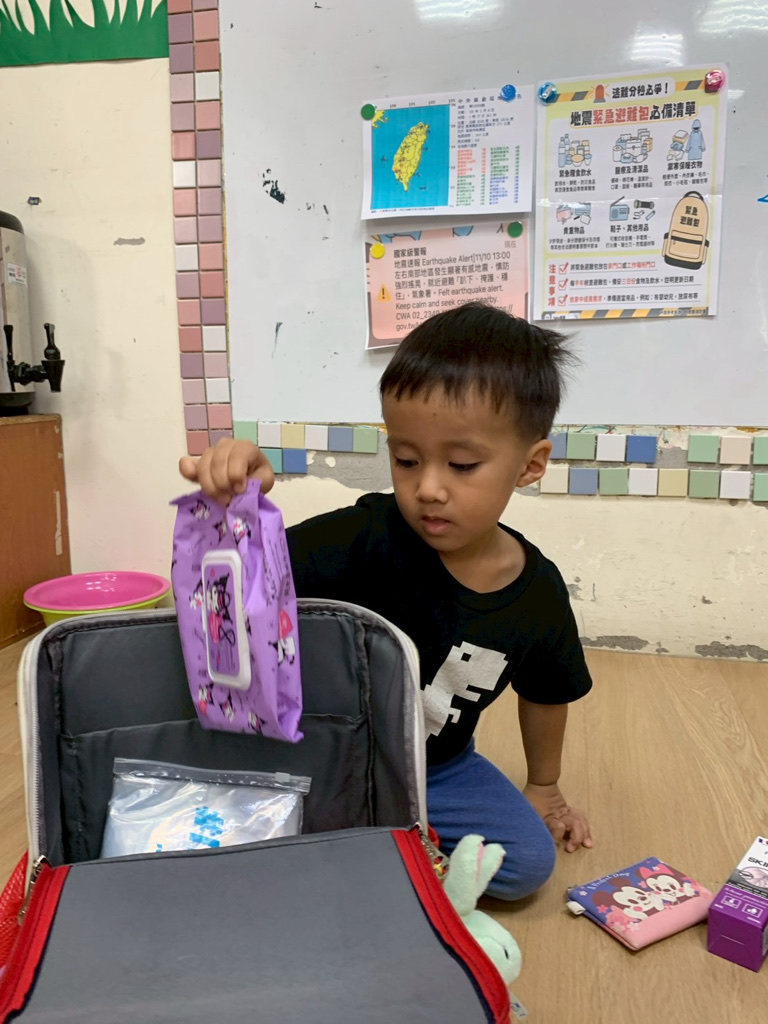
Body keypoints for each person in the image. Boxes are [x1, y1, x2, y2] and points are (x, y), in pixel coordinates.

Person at [180, 302, 594, 900]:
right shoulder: (366, 535)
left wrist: (545, 787)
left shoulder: (539, 593)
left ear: (530, 465)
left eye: (462, 464)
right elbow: (246, 588)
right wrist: (238, 507)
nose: (428, 487)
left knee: (526, 865)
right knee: (230, 839)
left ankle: (364, 839)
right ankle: (368, 841)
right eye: (406, 459)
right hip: (321, 755)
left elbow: (547, 693)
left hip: (438, 771)